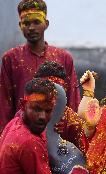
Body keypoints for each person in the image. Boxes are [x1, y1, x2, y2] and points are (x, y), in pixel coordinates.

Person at [0, 0, 80, 131]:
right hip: (22, 132)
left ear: (46, 24)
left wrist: (68, 127)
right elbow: (4, 103)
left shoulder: (64, 58)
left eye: (36, 22)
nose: (31, 28)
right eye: (26, 23)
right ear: (20, 25)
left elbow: (72, 99)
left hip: (56, 132)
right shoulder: (11, 58)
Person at [0, 78, 60, 174]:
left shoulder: (15, 122)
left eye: (48, 111)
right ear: (23, 105)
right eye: (37, 109)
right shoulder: (30, 142)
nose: (42, 117)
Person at [34, 61, 88, 154]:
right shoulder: (26, 114)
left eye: (56, 92)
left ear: (64, 90)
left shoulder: (71, 120)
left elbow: (83, 155)